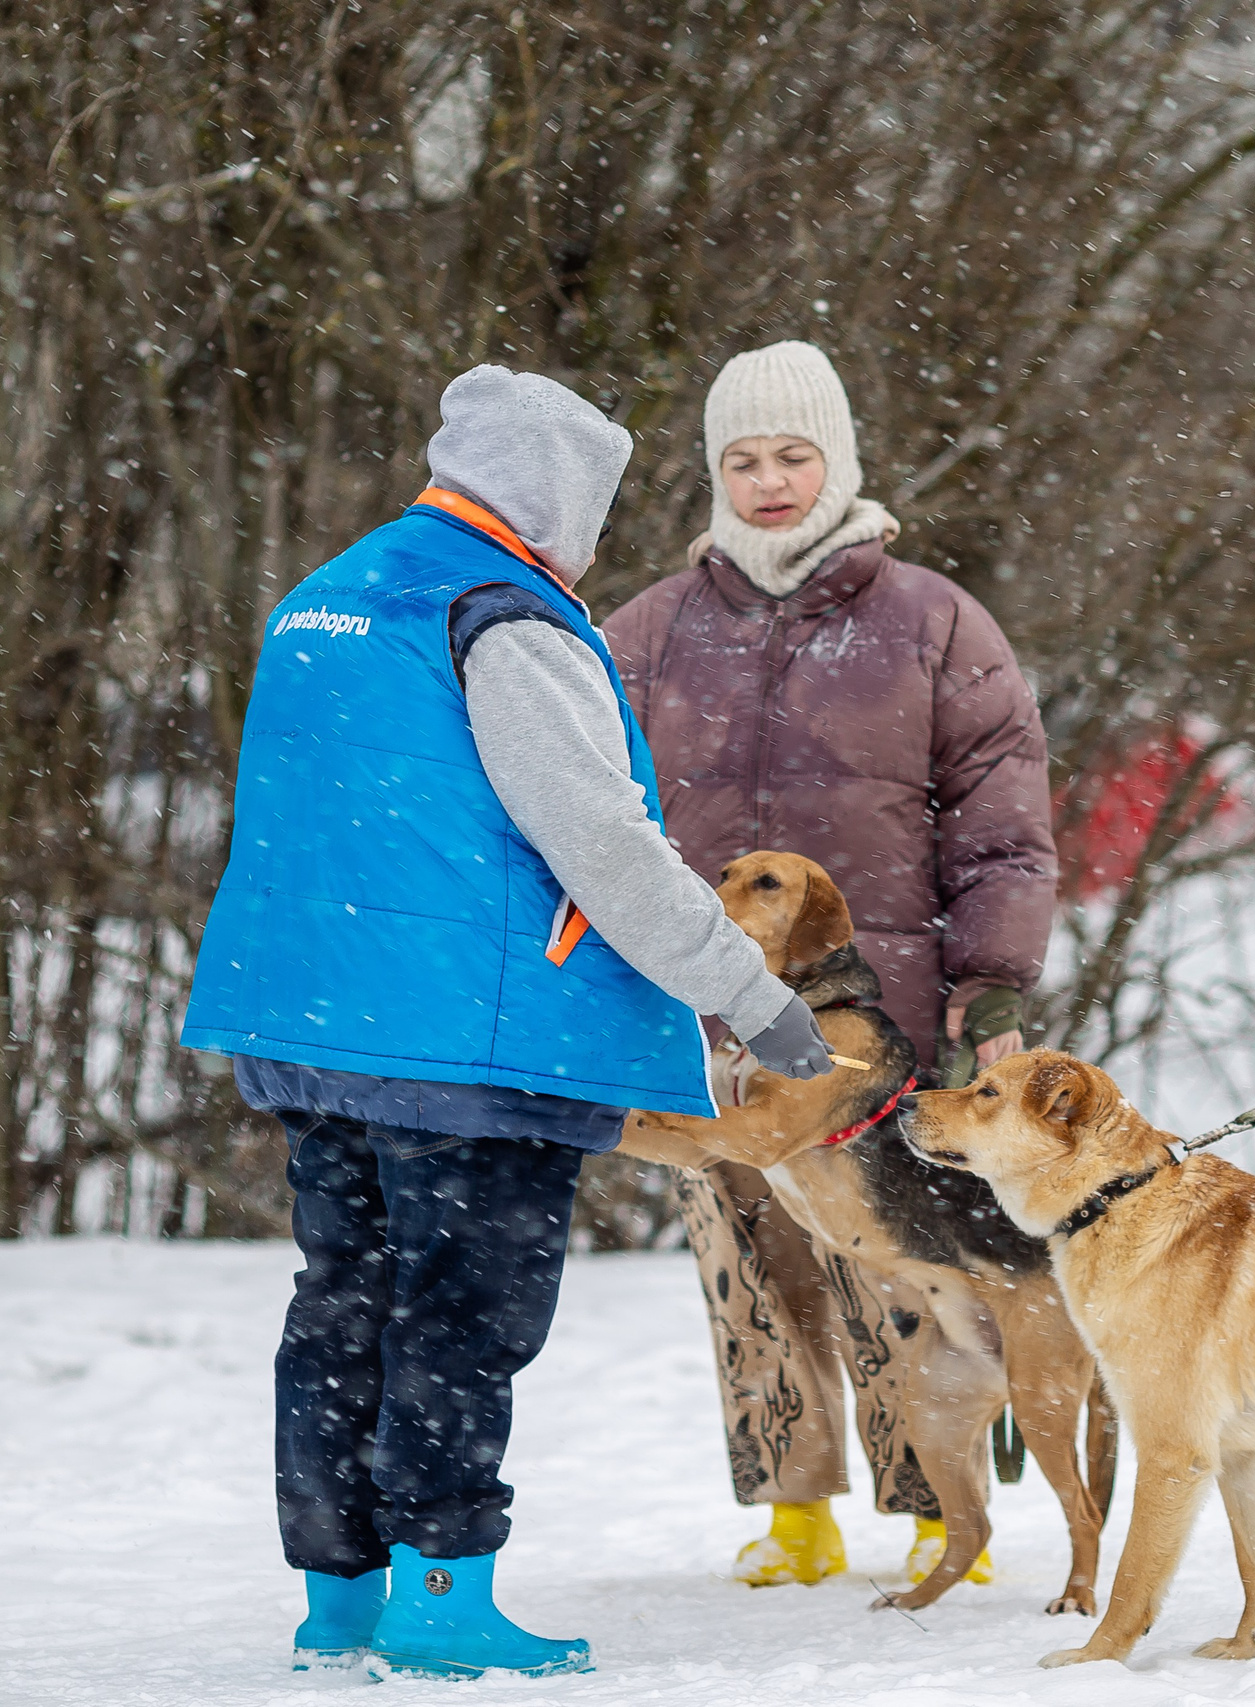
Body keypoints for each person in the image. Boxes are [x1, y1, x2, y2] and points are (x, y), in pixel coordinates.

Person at [179, 366, 836, 1679]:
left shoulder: (334, 595)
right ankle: (442, 1591)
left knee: (342, 1298)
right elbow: (603, 840)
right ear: (558, 493)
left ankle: (340, 1596)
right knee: (459, 1312)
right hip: (468, 1046)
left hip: (315, 1018)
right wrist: (751, 995)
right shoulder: (507, 612)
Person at [604, 341, 1056, 1589]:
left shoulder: (929, 619)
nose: (767, 481)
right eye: (741, 460)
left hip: (882, 1019)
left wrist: (993, 978)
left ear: (838, 460)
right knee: (747, 1259)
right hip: (699, 1017)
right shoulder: (647, 629)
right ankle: (792, 1506)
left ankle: (935, 1506)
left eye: (792, 456)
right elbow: (588, 813)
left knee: (894, 1265)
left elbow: (1000, 812)